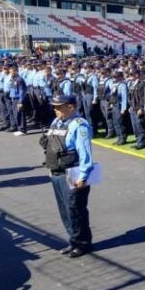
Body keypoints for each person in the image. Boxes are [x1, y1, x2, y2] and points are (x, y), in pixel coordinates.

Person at [40, 95, 94, 258]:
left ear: (71, 107)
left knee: (75, 209)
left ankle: (83, 243)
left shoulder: (79, 125)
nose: (55, 110)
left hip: (73, 172)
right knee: (64, 209)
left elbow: (85, 153)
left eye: (59, 107)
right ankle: (73, 240)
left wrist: (83, 176)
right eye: (55, 107)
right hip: (57, 170)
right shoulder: (57, 122)